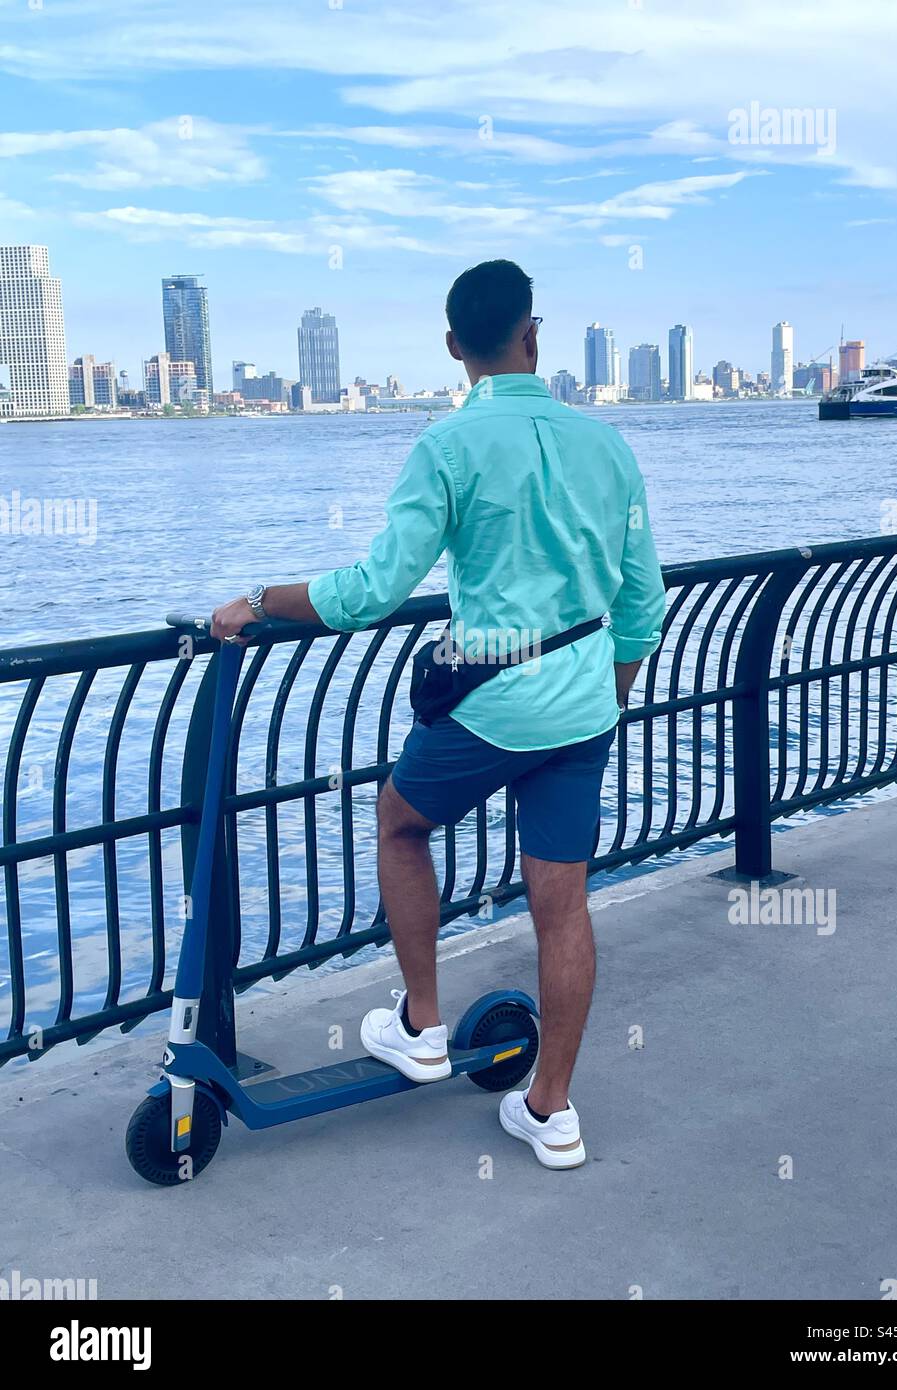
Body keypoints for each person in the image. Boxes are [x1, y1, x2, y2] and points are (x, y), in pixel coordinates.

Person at [212, 259, 666, 1168]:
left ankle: (421, 1024)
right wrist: (603, 701)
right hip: (581, 704)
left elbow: (371, 591)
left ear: (455, 348)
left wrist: (259, 600)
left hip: (493, 701)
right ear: (533, 334)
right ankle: (551, 1111)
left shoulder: (447, 446)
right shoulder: (607, 446)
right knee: (561, 903)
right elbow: (640, 601)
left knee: (398, 822)